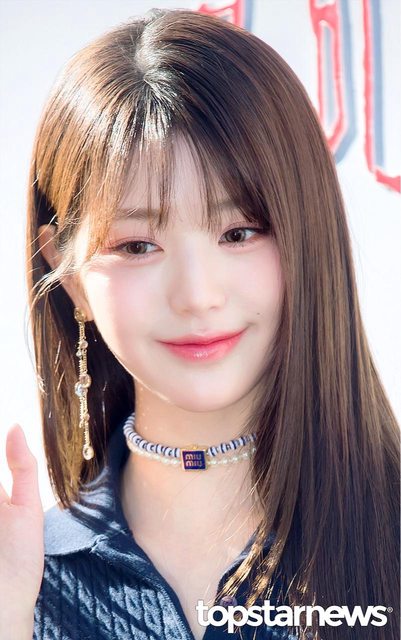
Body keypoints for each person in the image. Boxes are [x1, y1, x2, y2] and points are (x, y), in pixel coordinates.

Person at [0, 8, 399, 640]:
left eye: (238, 232)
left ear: (308, 234)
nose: (197, 296)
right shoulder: (27, 578)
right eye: (136, 246)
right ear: (67, 273)